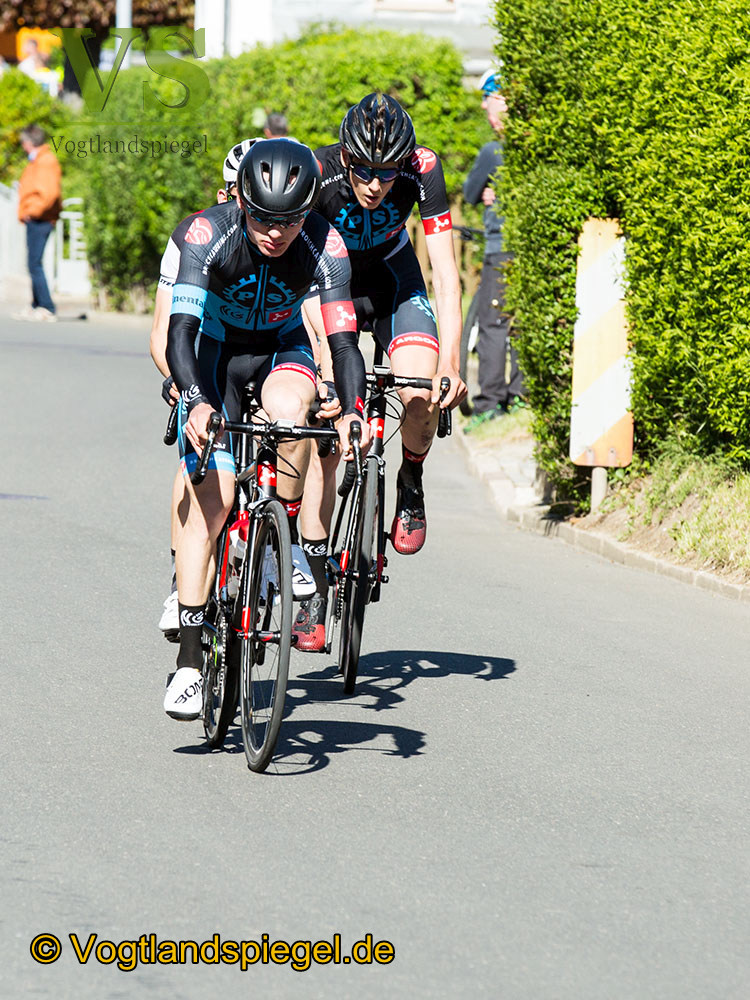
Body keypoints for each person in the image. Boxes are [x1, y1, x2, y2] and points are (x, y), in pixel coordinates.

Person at [162, 138, 368, 720]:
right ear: (241, 202)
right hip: (217, 357)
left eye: (290, 220)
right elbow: (180, 335)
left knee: (290, 411)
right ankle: (190, 657)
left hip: (283, 349)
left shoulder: (325, 244)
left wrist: (352, 410)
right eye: (263, 218)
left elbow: (345, 342)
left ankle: (289, 547)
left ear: (308, 211)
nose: (276, 233)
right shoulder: (206, 235)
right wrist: (197, 401)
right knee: (215, 499)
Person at [291, 93, 467, 652]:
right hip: (329, 283)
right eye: (363, 170)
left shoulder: (425, 171)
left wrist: (453, 363)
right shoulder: (313, 172)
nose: (374, 185)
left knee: (420, 393)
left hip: (394, 280)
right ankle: (315, 587)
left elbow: (445, 272)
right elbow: (297, 285)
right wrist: (324, 367)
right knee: (326, 435)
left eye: (386, 174)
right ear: (344, 157)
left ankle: (410, 481)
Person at [150, 139, 255, 640]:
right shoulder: (195, 236)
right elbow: (164, 330)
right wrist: (177, 384)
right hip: (201, 347)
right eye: (240, 194)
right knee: (197, 455)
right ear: (224, 194)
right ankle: (182, 577)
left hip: (259, 351)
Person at [462, 68, 525, 430]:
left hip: (500, 248)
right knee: (518, 323)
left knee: (492, 325)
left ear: (502, 100)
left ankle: (489, 403)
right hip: (526, 248)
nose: (486, 107)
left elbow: (471, 193)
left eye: (490, 100)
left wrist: (490, 193)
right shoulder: (531, 148)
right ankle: (519, 396)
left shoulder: (493, 151)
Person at [12, 124, 62, 323]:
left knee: (35, 263)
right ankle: (36, 304)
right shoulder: (37, 161)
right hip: (36, 218)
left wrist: (32, 212)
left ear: (30, 142)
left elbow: (49, 194)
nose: (22, 146)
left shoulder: (45, 161)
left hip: (40, 219)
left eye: (23, 142)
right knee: (33, 263)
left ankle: (46, 306)